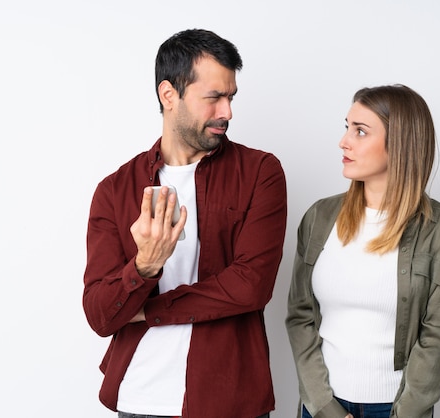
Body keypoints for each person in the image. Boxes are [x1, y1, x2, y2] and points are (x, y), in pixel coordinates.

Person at [83, 29, 287, 418]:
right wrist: (144, 267)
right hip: (138, 397)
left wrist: (151, 310)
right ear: (168, 95)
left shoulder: (260, 172)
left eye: (230, 97)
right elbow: (99, 315)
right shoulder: (114, 190)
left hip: (228, 399)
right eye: (214, 98)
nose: (227, 112)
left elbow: (251, 286)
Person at [285, 84, 440, 418]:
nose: (344, 141)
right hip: (321, 407)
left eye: (360, 131)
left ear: (400, 144)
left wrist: (404, 413)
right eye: (347, 127)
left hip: (397, 409)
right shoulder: (319, 218)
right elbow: (300, 316)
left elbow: (436, 337)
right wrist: (325, 407)